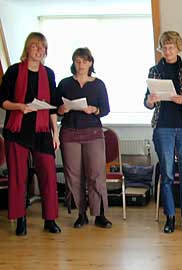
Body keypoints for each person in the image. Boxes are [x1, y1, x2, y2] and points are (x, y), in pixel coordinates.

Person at [0, 32, 61, 236]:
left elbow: (52, 107)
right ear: (28, 48)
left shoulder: (49, 73)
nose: (39, 50)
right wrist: (20, 106)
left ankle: (50, 219)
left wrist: (56, 134)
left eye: (42, 47)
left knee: (49, 174)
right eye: (35, 46)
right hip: (17, 130)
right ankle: (21, 219)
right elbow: (2, 101)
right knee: (18, 177)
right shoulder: (14, 71)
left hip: (42, 131)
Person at [144, 31, 182, 234]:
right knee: (167, 175)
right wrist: (149, 101)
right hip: (163, 127)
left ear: (178, 48)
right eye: (164, 48)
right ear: (160, 49)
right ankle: (169, 217)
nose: (167, 51)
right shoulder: (154, 71)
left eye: (171, 47)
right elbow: (147, 101)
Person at [56, 47, 112, 229]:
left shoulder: (99, 84)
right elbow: (56, 109)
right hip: (69, 133)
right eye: (77, 61)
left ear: (90, 63)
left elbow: (105, 109)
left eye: (84, 61)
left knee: (96, 174)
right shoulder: (64, 84)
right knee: (73, 175)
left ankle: (99, 214)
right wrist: (61, 110)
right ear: (73, 63)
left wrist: (94, 110)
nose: (80, 65)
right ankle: (81, 214)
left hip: (93, 133)